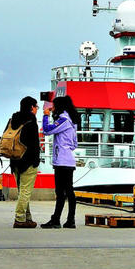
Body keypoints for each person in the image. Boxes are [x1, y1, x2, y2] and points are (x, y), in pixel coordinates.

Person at [40, 96, 80, 229]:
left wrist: (45, 116)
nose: (52, 109)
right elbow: (75, 144)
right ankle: (70, 220)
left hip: (61, 161)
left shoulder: (63, 120)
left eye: (54, 107)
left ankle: (56, 219)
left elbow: (47, 130)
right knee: (69, 191)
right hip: (68, 161)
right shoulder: (72, 122)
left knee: (61, 192)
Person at [7, 96, 40, 228]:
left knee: (22, 192)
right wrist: (36, 160)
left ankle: (27, 217)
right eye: (36, 107)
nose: (36, 109)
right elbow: (34, 143)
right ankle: (20, 218)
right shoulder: (31, 120)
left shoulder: (13, 119)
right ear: (31, 107)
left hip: (15, 160)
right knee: (25, 192)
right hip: (28, 161)